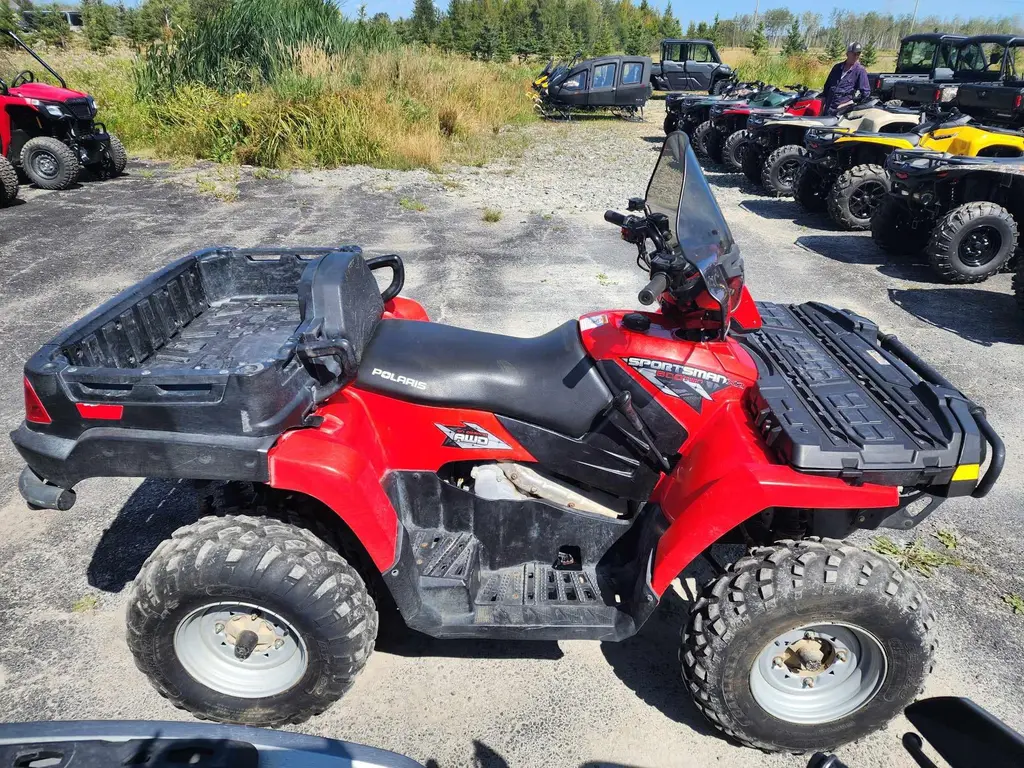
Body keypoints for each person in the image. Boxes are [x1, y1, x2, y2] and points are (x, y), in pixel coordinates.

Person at [822, 42, 871, 115]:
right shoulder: (837, 68)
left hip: (843, 112)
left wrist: (851, 103)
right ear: (847, 53)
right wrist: (823, 103)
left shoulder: (860, 70)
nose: (856, 56)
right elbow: (827, 87)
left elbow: (865, 93)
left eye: (858, 54)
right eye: (854, 54)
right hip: (828, 108)